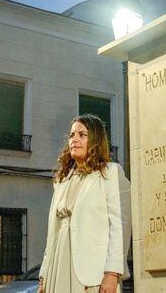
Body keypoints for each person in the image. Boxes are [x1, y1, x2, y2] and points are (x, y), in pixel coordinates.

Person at [38, 114, 130, 293]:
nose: (74, 139)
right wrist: (44, 276)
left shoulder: (111, 174)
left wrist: (112, 272)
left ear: (95, 139)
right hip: (58, 263)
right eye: (72, 135)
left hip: (92, 271)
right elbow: (52, 234)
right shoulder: (62, 180)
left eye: (82, 135)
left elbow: (120, 227)